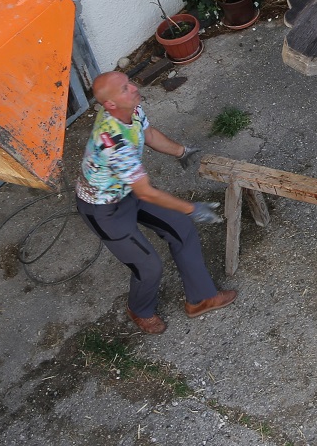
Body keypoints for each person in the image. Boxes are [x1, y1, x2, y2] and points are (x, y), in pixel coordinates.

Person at [75, 70, 236, 333]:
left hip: (128, 190)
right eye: (125, 88)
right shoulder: (113, 143)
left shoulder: (131, 110)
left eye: (129, 82)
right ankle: (139, 310)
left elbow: (148, 134)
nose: (134, 87)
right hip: (104, 209)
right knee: (148, 266)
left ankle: (200, 299)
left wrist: (181, 151)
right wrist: (193, 208)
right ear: (110, 104)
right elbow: (146, 193)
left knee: (181, 228)